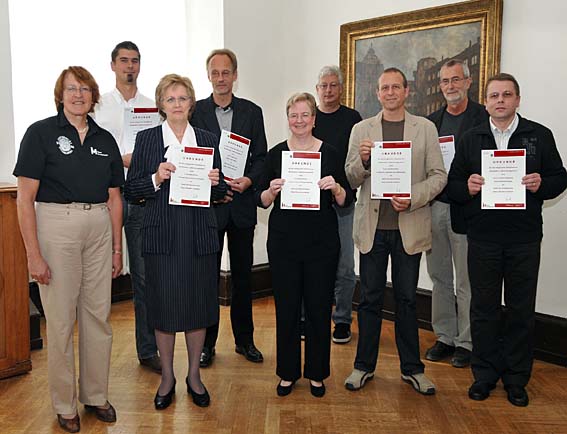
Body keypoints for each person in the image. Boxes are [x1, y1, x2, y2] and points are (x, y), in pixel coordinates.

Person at [14, 66, 123, 433]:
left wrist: (117, 249)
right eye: (71, 89)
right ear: (60, 95)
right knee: (60, 321)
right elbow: (24, 199)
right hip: (56, 226)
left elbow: (115, 197)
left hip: (99, 227)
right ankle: (64, 404)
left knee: (98, 317)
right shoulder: (40, 134)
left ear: (94, 96)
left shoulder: (105, 139)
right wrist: (33, 255)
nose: (78, 95)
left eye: (85, 89)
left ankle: (95, 395)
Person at [448, 73, 567, 407]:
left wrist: (541, 183)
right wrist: (467, 187)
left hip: (524, 238)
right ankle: (484, 375)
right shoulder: (472, 138)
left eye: (506, 95)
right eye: (493, 95)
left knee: (520, 310)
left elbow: (560, 178)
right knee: (483, 309)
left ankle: (516, 378)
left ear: (517, 99)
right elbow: (453, 185)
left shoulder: (539, 135)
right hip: (483, 238)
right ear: (485, 101)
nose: (499, 100)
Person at [124, 74, 227, 410]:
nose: (177, 104)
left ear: (191, 103)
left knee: (198, 307)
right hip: (163, 236)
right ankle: (167, 376)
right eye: (171, 99)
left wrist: (216, 183)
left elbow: (222, 191)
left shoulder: (210, 140)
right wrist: (155, 177)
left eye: (183, 98)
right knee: (164, 309)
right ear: (161, 105)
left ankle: (194, 375)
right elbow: (132, 191)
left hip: (198, 234)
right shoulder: (148, 140)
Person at [344, 68, 446, 395]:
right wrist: (362, 161)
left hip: (408, 228)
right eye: (384, 87)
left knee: (406, 301)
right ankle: (363, 367)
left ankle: (412, 369)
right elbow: (350, 178)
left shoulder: (425, 128)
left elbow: (438, 175)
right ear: (377, 93)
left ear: (407, 91)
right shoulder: (362, 129)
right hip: (373, 229)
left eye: (395, 87)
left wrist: (413, 197)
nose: (390, 92)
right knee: (370, 299)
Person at [257, 92, 352, 398]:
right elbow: (261, 200)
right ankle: (287, 373)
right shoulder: (276, 154)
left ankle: (316, 373)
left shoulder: (332, 154)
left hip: (321, 244)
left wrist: (335, 186)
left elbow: (346, 198)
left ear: (314, 119)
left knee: (318, 308)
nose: (299, 121)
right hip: (284, 243)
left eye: (304, 115)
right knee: (285, 309)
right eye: (293, 115)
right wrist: (271, 191)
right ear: (288, 119)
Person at [191, 48, 267, 367]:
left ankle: (244, 341)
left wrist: (249, 180)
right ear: (208, 75)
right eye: (215, 72)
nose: (221, 78)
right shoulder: (195, 112)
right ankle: (207, 345)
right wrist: (212, 187)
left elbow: (262, 157)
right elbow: (192, 157)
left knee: (242, 278)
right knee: (208, 278)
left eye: (226, 72)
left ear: (235, 75)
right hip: (210, 207)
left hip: (241, 206)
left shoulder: (252, 111)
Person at [94, 41, 161, 373]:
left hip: (138, 195)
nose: (129, 67)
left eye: (135, 61)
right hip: (103, 196)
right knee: (97, 274)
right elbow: (89, 150)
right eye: (123, 61)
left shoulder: (152, 108)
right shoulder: (98, 107)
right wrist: (119, 159)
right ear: (112, 65)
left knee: (144, 278)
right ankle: (94, 354)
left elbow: (160, 152)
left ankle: (147, 350)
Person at [424, 59, 488, 368]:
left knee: (466, 279)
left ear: (468, 82)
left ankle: (467, 341)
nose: (451, 86)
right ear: (440, 86)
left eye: (456, 80)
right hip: (435, 206)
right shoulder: (431, 121)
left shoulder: (483, 118)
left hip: (466, 209)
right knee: (439, 276)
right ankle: (444, 336)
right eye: (446, 81)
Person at [313, 65, 362, 344]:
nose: (328, 90)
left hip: (344, 203)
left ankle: (342, 320)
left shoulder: (353, 119)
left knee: (344, 265)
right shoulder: (310, 116)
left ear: (340, 88)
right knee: (313, 262)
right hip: (311, 205)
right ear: (316, 89)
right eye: (324, 85)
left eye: (333, 85)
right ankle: (311, 317)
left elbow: (357, 162)